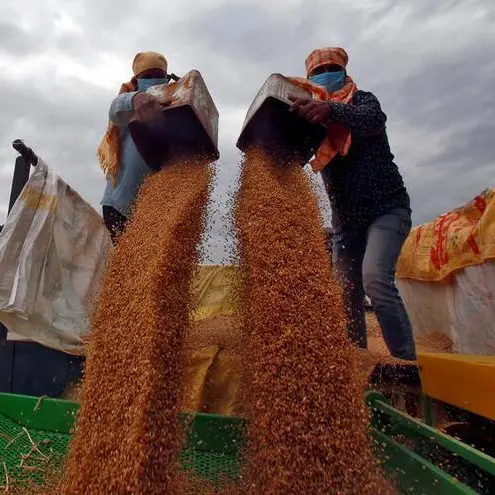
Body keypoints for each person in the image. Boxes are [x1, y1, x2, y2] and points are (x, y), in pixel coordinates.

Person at [289, 47, 416, 360]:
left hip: (386, 209)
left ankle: (406, 363)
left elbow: (372, 120)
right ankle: (354, 360)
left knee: (375, 278)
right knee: (346, 293)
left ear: (344, 71)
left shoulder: (362, 101)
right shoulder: (314, 120)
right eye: (317, 73)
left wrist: (331, 110)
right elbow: (296, 153)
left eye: (330, 68)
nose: (325, 76)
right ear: (308, 80)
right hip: (347, 221)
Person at [98, 51, 169, 243]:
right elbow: (114, 109)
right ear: (136, 80)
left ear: (167, 77)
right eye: (147, 76)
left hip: (152, 211)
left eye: (158, 75)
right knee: (125, 263)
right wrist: (136, 99)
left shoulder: (173, 101)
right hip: (119, 206)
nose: (153, 80)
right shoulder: (127, 101)